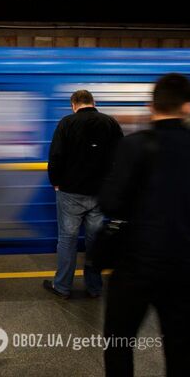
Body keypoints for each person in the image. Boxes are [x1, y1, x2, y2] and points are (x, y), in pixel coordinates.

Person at [100, 73, 190, 376]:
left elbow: (111, 203)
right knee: (181, 347)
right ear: (187, 107)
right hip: (185, 267)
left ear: (151, 106)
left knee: (119, 341)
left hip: (135, 265)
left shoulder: (133, 146)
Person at [43, 90, 123, 299]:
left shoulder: (67, 123)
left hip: (70, 192)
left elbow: (56, 155)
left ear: (73, 104)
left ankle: (62, 287)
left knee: (67, 240)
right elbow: (121, 157)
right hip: (99, 193)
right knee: (94, 240)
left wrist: (56, 182)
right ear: (93, 102)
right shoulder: (110, 123)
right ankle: (94, 288)